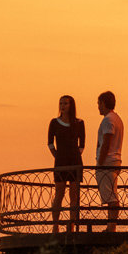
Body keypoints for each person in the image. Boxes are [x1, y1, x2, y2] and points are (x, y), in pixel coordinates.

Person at [48, 95, 85, 233]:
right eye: (61, 103)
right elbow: (50, 142)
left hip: (75, 161)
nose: (62, 106)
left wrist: (75, 155)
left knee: (74, 194)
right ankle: (55, 225)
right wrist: (57, 156)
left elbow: (82, 144)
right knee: (59, 192)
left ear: (71, 105)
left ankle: (72, 224)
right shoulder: (54, 122)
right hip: (60, 161)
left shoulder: (79, 123)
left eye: (65, 103)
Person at [96, 90, 124, 231]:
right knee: (111, 192)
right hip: (115, 160)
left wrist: (100, 161)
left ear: (104, 103)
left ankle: (111, 225)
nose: (98, 106)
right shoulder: (116, 118)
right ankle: (111, 224)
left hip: (107, 161)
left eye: (99, 103)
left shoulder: (108, 120)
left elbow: (106, 141)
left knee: (111, 195)